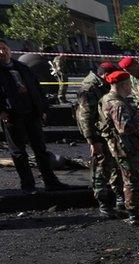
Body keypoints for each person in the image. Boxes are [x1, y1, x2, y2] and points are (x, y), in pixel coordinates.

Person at [0, 39, 66, 193]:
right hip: (12, 115)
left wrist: (42, 108)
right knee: (18, 152)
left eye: (4, 48)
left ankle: (50, 181)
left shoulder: (22, 67)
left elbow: (36, 88)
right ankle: (28, 185)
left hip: (31, 112)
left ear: (9, 49)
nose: (2, 52)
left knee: (40, 149)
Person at [99, 70, 139, 225]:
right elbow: (124, 127)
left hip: (124, 146)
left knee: (137, 177)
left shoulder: (108, 99)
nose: (131, 87)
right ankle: (134, 214)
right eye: (129, 84)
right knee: (132, 180)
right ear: (123, 84)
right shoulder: (117, 104)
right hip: (126, 147)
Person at [76, 62, 123, 217]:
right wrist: (92, 140)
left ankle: (119, 198)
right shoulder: (89, 88)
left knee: (115, 165)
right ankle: (103, 203)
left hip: (109, 133)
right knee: (101, 168)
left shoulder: (101, 84)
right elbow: (85, 116)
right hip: (98, 135)